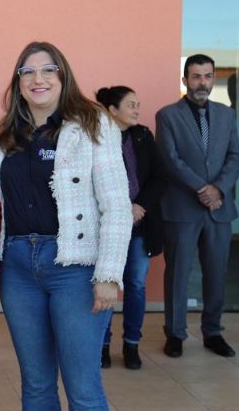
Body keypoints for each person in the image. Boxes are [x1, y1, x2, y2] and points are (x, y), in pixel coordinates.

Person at [0, 41, 132, 410]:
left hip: (75, 268)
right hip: (19, 267)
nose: (38, 78)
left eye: (47, 69)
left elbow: (117, 204)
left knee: (82, 387)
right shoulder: (7, 134)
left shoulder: (92, 123)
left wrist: (109, 274)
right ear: (18, 81)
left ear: (62, 75)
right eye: (28, 71)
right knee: (36, 385)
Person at [155, 53, 239, 359]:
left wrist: (217, 188)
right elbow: (170, 159)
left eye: (207, 76)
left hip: (219, 208)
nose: (202, 82)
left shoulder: (227, 115)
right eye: (196, 76)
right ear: (185, 80)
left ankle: (213, 332)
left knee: (216, 273)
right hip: (182, 208)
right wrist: (201, 188)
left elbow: (235, 157)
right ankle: (176, 333)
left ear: (213, 79)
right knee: (178, 273)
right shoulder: (167, 115)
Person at [95, 86, 165, 370]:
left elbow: (160, 177)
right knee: (107, 284)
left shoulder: (143, 135)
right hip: (107, 227)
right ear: (113, 110)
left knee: (135, 285)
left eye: (138, 104)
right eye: (131, 105)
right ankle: (102, 344)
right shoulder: (96, 137)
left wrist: (139, 207)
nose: (137, 110)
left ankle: (131, 344)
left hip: (139, 225)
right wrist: (120, 211)